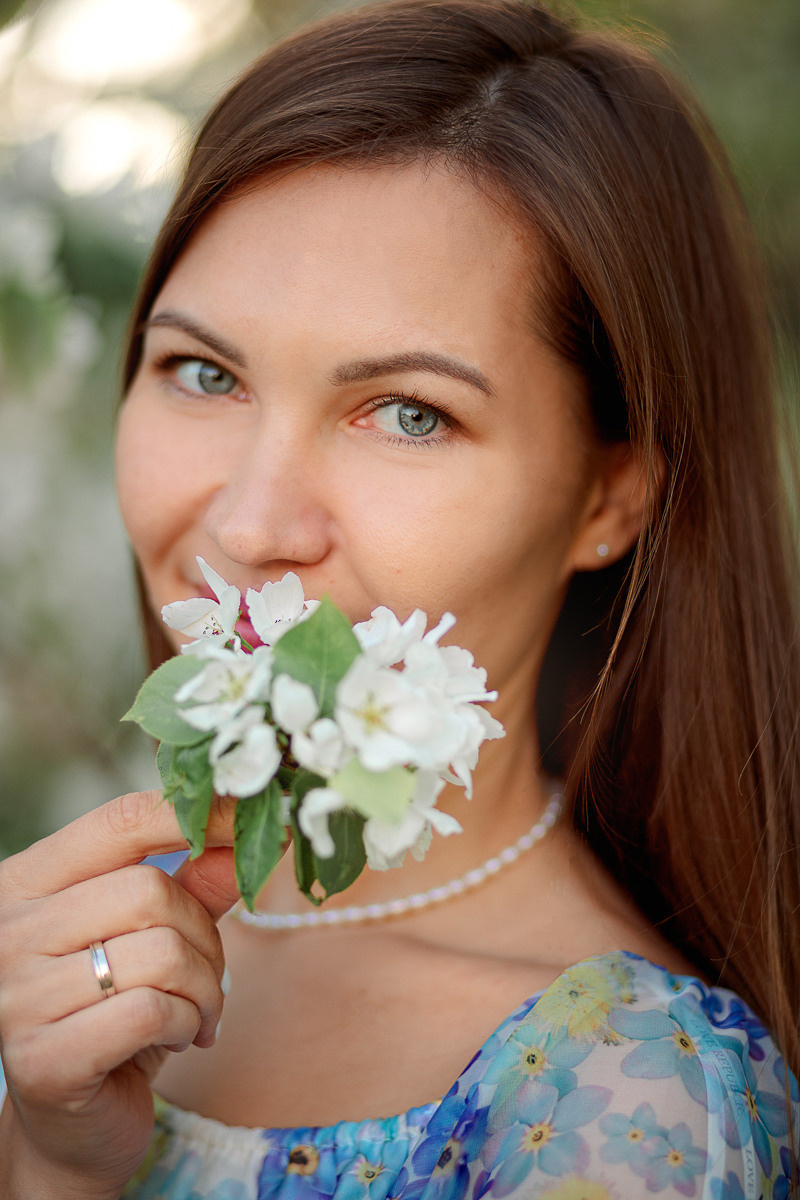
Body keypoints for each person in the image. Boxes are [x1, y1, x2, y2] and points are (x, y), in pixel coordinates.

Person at [1, 0, 798, 1196]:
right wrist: (53, 1153)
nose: (250, 523)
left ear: (609, 496)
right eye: (202, 372)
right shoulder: (53, 932)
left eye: (409, 414)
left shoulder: (628, 1102)